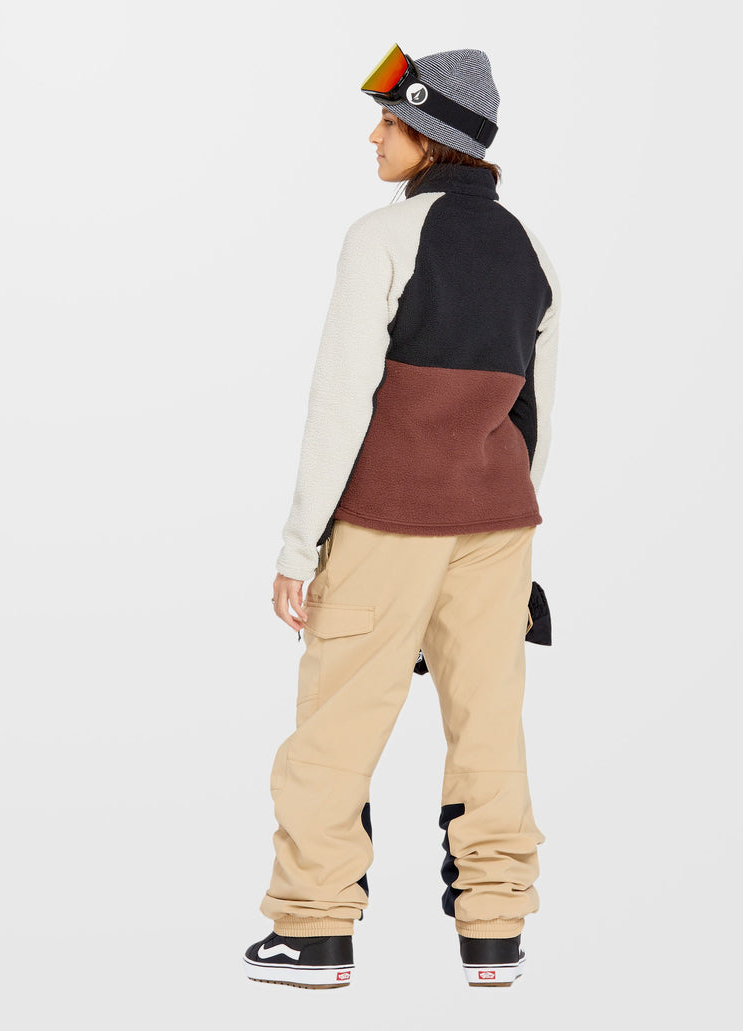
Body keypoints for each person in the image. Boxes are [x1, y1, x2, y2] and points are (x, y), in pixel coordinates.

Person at [243, 44, 562, 990]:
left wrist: (300, 544)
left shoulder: (382, 237)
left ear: (432, 136)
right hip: (498, 527)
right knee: (489, 727)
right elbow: (535, 412)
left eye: (391, 121)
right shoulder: (529, 249)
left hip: (388, 522)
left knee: (337, 726)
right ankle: (494, 932)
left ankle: (313, 931)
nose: (374, 136)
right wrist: (499, 506)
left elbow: (341, 400)